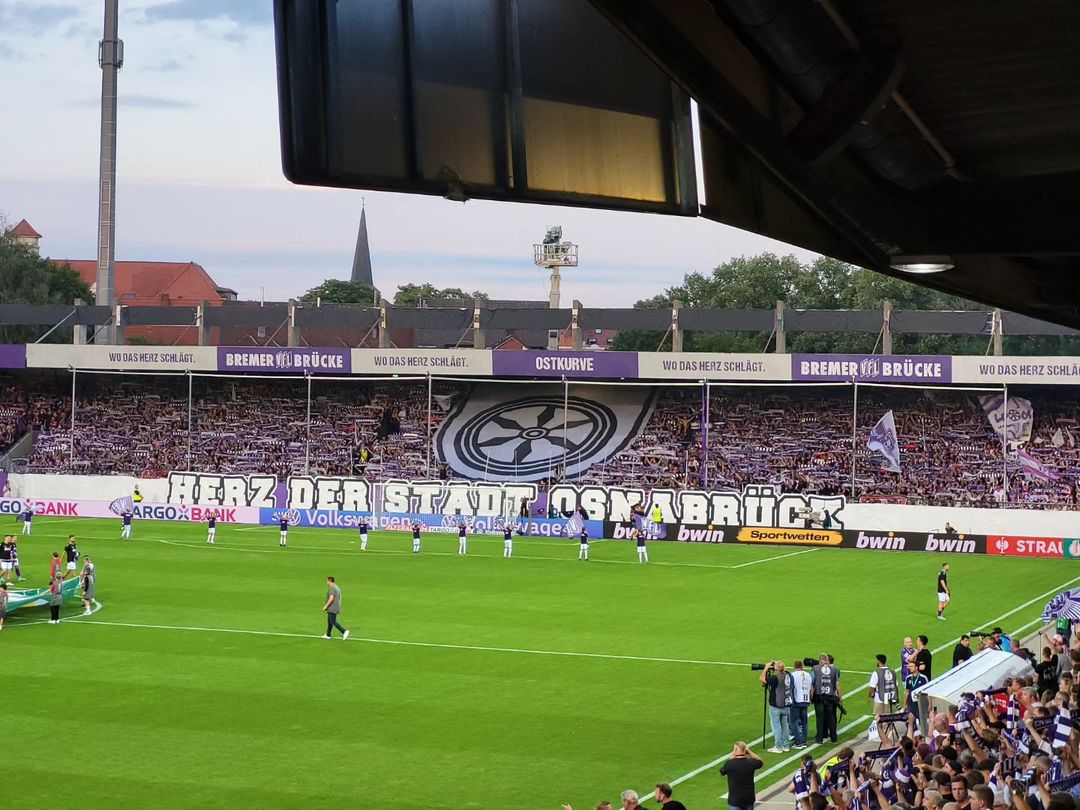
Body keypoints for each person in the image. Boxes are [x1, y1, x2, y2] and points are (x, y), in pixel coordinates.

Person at [761, 660, 794, 753]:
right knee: (785, 724)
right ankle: (786, 745)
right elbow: (784, 669)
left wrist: (766, 668)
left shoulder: (775, 678)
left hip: (776, 705)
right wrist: (779, 664)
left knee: (776, 726)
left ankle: (778, 747)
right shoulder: (788, 675)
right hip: (786, 704)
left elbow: (762, 679)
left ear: (776, 669)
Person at [720, 741, 763, 810]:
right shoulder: (751, 762)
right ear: (745, 750)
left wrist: (732, 758)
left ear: (736, 750)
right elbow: (760, 761)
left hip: (735, 800)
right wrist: (749, 752)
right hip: (749, 798)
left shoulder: (730, 764)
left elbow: (722, 772)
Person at [811, 653, 841, 744]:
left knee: (820, 718)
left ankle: (819, 738)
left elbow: (812, 684)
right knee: (831, 718)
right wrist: (840, 697)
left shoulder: (815, 669)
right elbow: (837, 684)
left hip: (819, 697)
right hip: (830, 697)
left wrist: (811, 697)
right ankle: (834, 737)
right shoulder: (833, 669)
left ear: (820, 660)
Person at [790, 659, 812, 749]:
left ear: (794, 666)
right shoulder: (808, 674)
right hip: (805, 700)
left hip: (796, 701)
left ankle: (798, 742)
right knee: (804, 722)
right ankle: (803, 741)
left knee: (794, 722)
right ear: (802, 666)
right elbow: (811, 688)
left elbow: (790, 688)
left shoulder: (792, 675)